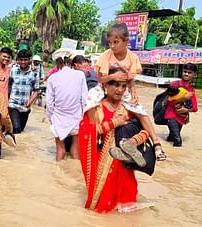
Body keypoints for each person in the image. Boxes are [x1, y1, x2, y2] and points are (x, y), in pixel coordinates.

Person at [89, 22, 166, 161]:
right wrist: (112, 77)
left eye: (116, 42)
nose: (112, 46)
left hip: (122, 89)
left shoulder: (132, 57)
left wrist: (134, 92)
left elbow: (130, 79)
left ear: (126, 41)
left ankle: (156, 144)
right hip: (105, 87)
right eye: (110, 42)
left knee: (140, 111)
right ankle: (95, 136)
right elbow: (100, 79)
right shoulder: (106, 55)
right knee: (89, 102)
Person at [79, 77, 153, 213]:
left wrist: (135, 141)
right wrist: (113, 123)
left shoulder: (129, 107)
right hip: (103, 162)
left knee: (127, 205)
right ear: (105, 85)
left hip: (123, 162)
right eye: (116, 85)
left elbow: (143, 129)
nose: (120, 90)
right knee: (103, 208)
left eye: (124, 86)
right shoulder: (96, 107)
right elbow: (86, 132)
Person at [46, 55, 88, 160]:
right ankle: (74, 173)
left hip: (58, 118)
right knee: (75, 151)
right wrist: (84, 116)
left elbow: (49, 103)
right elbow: (84, 99)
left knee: (60, 150)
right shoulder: (80, 75)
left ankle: (57, 173)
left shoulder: (52, 78)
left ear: (57, 64)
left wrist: (51, 119)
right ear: (70, 62)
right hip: (76, 117)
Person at [164, 63, 199, 147]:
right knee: (178, 141)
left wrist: (187, 110)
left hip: (181, 117)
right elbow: (168, 102)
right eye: (185, 71)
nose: (186, 74)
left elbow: (195, 108)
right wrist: (184, 98)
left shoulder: (191, 89)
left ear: (194, 75)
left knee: (171, 138)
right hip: (171, 115)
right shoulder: (174, 85)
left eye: (189, 72)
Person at [8, 49, 40, 134]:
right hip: (13, 104)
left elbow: (36, 90)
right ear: (17, 60)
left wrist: (30, 102)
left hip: (25, 107)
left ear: (30, 60)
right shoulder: (13, 70)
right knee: (16, 129)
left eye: (25, 60)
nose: (23, 62)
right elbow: (8, 85)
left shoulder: (35, 73)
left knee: (21, 129)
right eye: (21, 59)